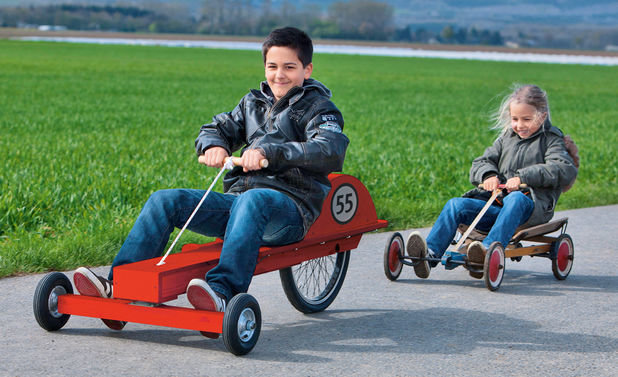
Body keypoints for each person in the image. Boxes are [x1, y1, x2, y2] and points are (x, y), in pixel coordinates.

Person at [72, 27, 349, 332]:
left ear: (307, 70)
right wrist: (213, 144)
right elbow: (218, 127)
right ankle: (117, 285)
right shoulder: (253, 103)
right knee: (166, 200)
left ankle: (221, 293)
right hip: (240, 204)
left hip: (290, 210)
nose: (279, 75)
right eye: (272, 66)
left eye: (289, 67)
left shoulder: (321, 110)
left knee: (253, 200)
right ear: (265, 67)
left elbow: (328, 150)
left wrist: (271, 152)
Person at [406, 84, 578, 279]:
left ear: (542, 116)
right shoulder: (507, 138)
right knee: (456, 205)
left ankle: (486, 250)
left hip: (531, 207)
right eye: (515, 119)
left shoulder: (552, 140)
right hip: (498, 203)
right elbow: (482, 161)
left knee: (516, 199)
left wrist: (523, 177)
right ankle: (430, 254)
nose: (519, 125)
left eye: (526, 119)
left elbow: (563, 169)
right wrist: (488, 175)